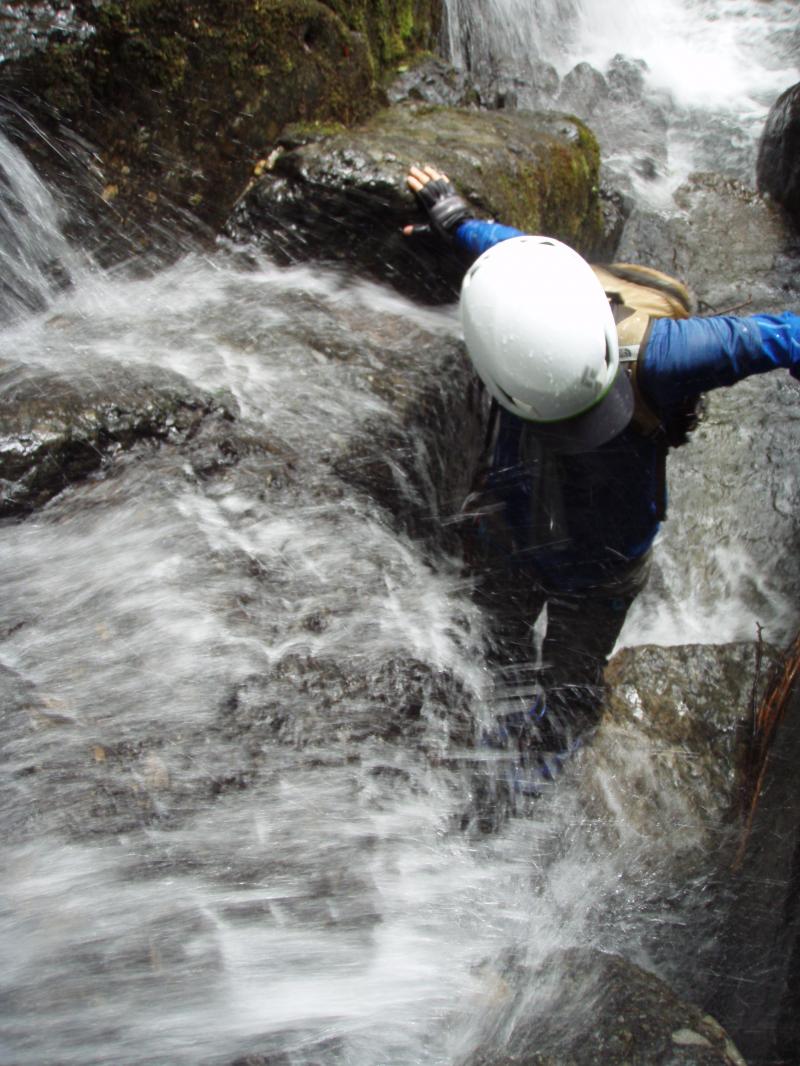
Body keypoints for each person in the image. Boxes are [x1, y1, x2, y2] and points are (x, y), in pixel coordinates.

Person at [404, 164, 800, 756]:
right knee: (493, 647)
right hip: (511, 530)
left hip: (606, 565)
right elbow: (506, 254)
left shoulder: (665, 355)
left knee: (571, 687)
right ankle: (497, 736)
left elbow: (782, 334)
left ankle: (544, 761)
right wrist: (454, 217)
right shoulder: (511, 303)